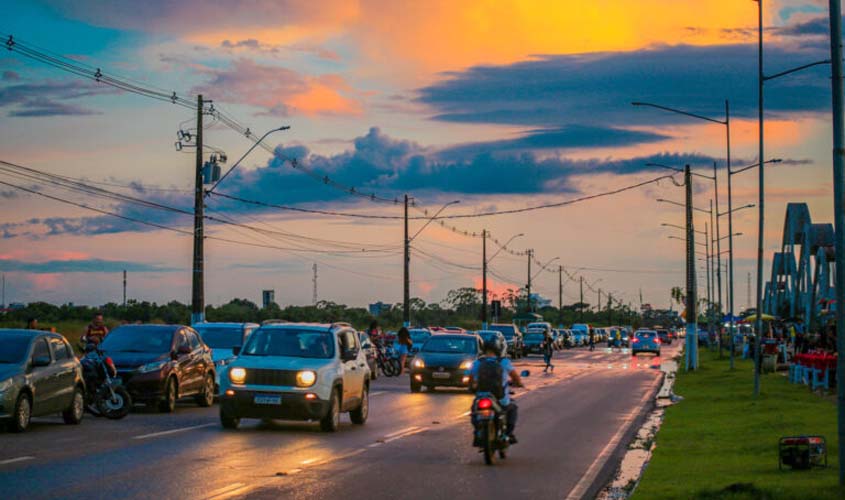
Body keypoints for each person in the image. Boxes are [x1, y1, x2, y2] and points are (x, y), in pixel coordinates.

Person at [470, 338, 524, 443]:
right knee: (512, 409)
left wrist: (472, 388)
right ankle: (508, 434)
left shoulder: (477, 362)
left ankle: (477, 432)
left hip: (482, 396)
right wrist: (519, 383)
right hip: (500, 398)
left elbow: (471, 379)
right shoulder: (504, 361)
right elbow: (515, 377)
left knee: (474, 411)